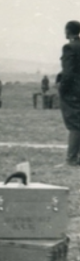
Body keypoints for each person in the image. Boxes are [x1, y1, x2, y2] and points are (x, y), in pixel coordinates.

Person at [58, 20, 80, 166]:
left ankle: (71, 159)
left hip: (73, 92)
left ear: (68, 31)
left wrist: (62, 88)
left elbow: (68, 73)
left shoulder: (69, 47)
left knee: (74, 125)